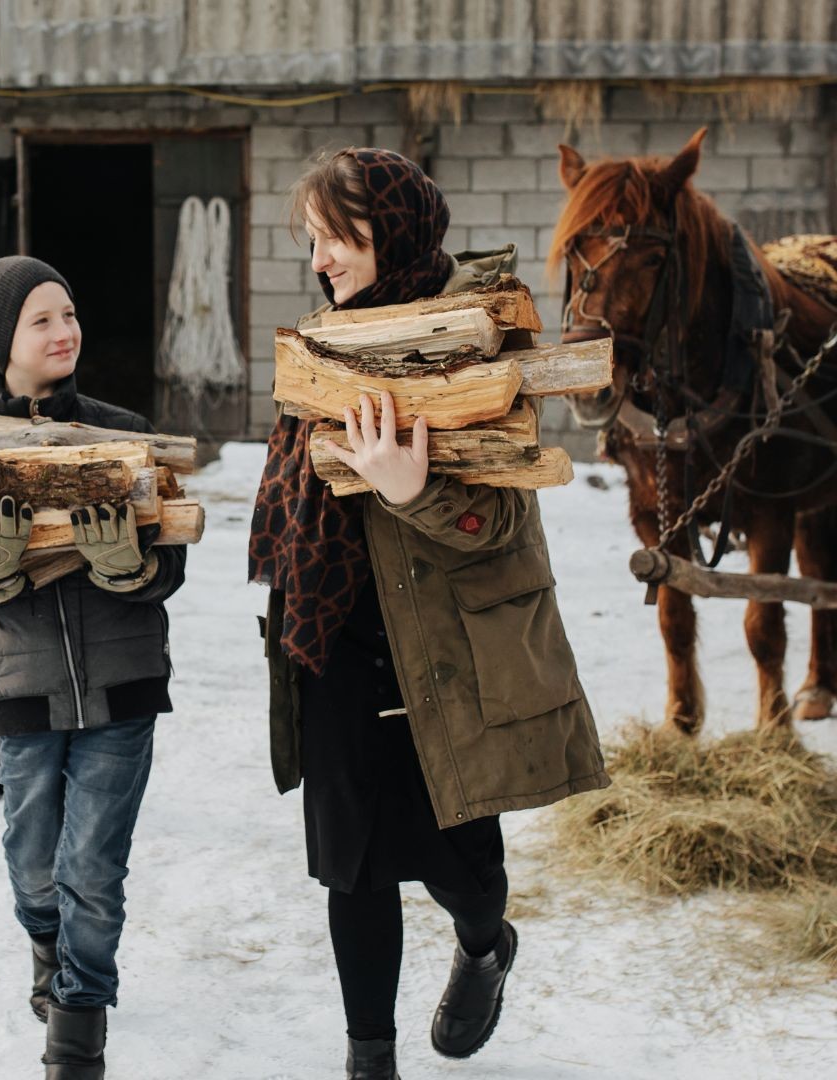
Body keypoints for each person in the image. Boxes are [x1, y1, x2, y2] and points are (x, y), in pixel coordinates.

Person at [250, 149, 609, 1080]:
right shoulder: (326, 345)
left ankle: (487, 945)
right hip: (329, 642)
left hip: (439, 652)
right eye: (316, 239)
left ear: (397, 230)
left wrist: (413, 490)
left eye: (341, 236)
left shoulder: (469, 337)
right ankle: (371, 1059)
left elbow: (501, 524)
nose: (323, 258)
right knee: (351, 871)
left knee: (462, 868)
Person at [0, 256, 186, 1080]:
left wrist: (125, 566)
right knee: (35, 860)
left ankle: (80, 1020)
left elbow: (170, 564)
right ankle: (47, 944)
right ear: (2, 341)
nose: (64, 331)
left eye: (68, 313)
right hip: (23, 690)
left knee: (93, 867)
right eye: (41, 320)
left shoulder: (122, 432)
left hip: (123, 684)